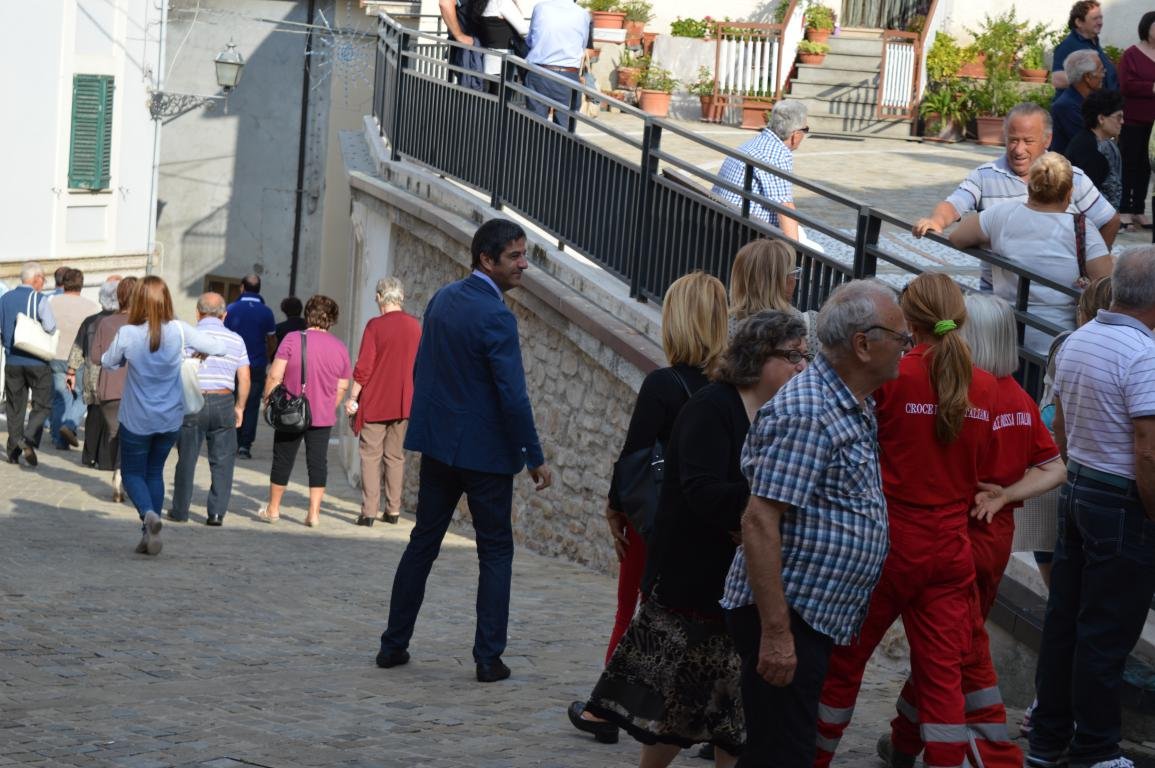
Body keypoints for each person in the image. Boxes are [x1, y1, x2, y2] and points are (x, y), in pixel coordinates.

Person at [584, 310, 811, 768]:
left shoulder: (783, 413)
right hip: (693, 582)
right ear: (757, 357)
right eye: (792, 356)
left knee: (734, 708)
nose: (802, 366)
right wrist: (771, 500)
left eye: (805, 356)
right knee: (679, 705)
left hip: (741, 584)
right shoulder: (712, 407)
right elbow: (702, 491)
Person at [814, 273, 1000, 768]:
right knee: (943, 679)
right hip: (951, 548)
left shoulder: (893, 377)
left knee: (843, 664)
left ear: (907, 321)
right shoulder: (986, 387)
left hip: (888, 543)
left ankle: (813, 756)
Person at [720, 280, 903, 768]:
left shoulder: (849, 402)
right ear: (863, 345)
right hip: (788, 614)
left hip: (805, 615)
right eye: (900, 336)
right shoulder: (810, 411)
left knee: (775, 752)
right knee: (783, 754)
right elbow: (760, 520)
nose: (907, 346)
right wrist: (777, 634)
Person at [878, 293, 1065, 768]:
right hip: (992, 541)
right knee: (949, 651)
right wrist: (1007, 495)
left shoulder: (964, 392)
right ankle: (905, 741)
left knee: (948, 657)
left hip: (948, 535)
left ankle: (924, 745)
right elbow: (1054, 466)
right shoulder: (1018, 398)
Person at [374, 218, 552, 684]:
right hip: (486, 454)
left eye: (523, 255)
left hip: (439, 446)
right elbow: (513, 395)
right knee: (495, 552)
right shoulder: (497, 316)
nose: (523, 264)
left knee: (423, 543)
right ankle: (488, 658)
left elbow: (426, 371)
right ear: (486, 260)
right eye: (514, 256)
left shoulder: (442, 299)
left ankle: (393, 644)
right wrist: (533, 455)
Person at [568, 271, 728, 745]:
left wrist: (614, 508)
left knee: (632, 611)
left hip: (661, 522)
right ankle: (709, 721)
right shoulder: (735, 389)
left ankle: (605, 712)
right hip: (716, 525)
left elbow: (634, 456)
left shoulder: (664, 384)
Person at [1027, 248, 1155, 768]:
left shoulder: (1077, 339)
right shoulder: (1145, 355)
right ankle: (1096, 749)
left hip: (1079, 487)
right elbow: (1148, 450)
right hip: (1122, 502)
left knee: (1065, 622)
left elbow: (1058, 425)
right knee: (1106, 631)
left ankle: (1047, 738)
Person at [912, 102, 1120, 290]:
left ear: (1047, 139)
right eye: (1013, 140)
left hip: (1061, 296)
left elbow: (1109, 220)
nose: (1019, 149)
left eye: (1028, 141)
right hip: (997, 296)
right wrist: (937, 221)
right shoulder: (985, 175)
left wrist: (1089, 262)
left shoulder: (1071, 177)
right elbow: (955, 203)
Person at [100, 276, 225, 556]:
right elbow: (220, 348)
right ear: (166, 300)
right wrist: (197, 353)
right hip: (169, 418)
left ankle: (148, 515)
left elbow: (107, 362)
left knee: (132, 473)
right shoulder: (179, 330)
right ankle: (149, 534)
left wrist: (122, 358)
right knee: (155, 471)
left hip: (137, 418)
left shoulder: (128, 333)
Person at [949, 152, 1115, 356]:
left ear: (1029, 186)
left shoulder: (1002, 215)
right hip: (1056, 343)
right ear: (1069, 192)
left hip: (1004, 339)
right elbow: (1106, 286)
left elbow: (957, 237)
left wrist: (992, 240)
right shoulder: (1082, 229)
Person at [257, 295, 351, 528]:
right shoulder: (340, 348)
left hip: (290, 410)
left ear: (308, 314)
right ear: (332, 319)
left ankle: (273, 509)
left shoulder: (292, 339)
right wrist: (328, 405)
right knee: (318, 462)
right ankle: (313, 514)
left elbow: (275, 375)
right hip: (322, 415)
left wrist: (268, 401)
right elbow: (342, 386)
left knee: (283, 459)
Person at [345, 277, 422, 527]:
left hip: (376, 400)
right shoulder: (415, 326)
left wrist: (352, 397)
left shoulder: (375, 326)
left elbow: (364, 367)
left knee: (370, 456)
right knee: (395, 456)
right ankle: (393, 510)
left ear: (379, 297)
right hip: (403, 401)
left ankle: (369, 512)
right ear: (401, 297)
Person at [170, 293, 251, 526]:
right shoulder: (236, 340)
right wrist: (240, 407)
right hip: (224, 400)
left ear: (197, 313)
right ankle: (216, 513)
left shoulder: (185, 338)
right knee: (223, 460)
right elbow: (245, 378)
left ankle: (180, 511)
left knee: (186, 458)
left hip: (192, 400)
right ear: (224, 315)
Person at [713, 100, 810, 240]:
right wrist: (793, 251)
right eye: (805, 129)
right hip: (745, 234)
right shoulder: (777, 155)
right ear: (796, 134)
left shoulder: (759, 142)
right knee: (814, 249)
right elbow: (785, 208)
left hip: (724, 221)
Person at [0, 262, 57, 467]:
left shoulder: (4, 299)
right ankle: (29, 438)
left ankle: (13, 451)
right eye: (43, 279)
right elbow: (50, 327)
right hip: (36, 359)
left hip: (12, 361)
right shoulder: (39, 299)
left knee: (15, 406)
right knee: (43, 404)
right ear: (36, 279)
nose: (44, 283)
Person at [91, 277, 138, 501]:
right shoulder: (144, 325)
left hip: (109, 386)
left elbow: (94, 356)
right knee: (130, 435)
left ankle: (117, 471)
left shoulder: (105, 322)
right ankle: (121, 472)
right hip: (136, 388)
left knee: (114, 433)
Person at [67, 277, 120, 469]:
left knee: (93, 416)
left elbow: (77, 348)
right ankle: (105, 460)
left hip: (91, 375)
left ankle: (89, 457)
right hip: (113, 377)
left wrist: (71, 371)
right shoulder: (123, 322)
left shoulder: (90, 321)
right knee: (110, 419)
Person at [46, 268, 99, 450]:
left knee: (62, 397)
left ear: (64, 283)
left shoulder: (51, 302)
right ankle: (69, 425)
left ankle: (57, 438)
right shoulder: (91, 307)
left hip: (56, 355)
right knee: (83, 396)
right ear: (81, 284)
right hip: (79, 359)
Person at [225, 274, 276, 460]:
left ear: (242, 287)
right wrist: (268, 356)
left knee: (232, 401)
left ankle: (231, 440)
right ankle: (245, 446)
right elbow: (272, 339)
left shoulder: (231, 309)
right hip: (256, 364)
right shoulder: (266, 312)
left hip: (232, 364)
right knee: (252, 405)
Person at [1117, 12, 1155, 229]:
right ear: (1146, 28)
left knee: (1146, 166)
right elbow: (1125, 85)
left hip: (1154, 124)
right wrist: (1152, 88)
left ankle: (1139, 210)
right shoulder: (1131, 54)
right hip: (1133, 118)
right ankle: (1124, 209)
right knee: (1129, 164)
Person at [524, 0, 590, 125]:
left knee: (535, 126)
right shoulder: (583, 14)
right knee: (565, 128)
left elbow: (530, 39)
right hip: (568, 74)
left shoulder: (540, 7)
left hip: (539, 72)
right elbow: (583, 45)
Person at [1063, 89, 1125, 210]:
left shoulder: (1089, 140)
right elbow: (1089, 200)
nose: (1122, 121)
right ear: (1101, 119)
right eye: (1118, 117)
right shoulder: (1093, 151)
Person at [1052, 1, 1118, 93]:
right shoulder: (1068, 45)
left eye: (1100, 18)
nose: (1100, 22)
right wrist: (1087, 80)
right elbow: (1057, 80)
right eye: (1095, 18)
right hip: (1082, 102)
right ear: (1079, 22)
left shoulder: (1093, 41)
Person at [1050, 51, 1106, 154]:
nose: (1103, 75)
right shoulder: (1067, 107)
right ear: (1087, 77)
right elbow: (1090, 143)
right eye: (1101, 70)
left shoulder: (1087, 101)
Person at [463, 0, 528, 80]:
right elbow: (524, 31)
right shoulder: (501, 2)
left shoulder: (482, 3)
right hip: (504, 61)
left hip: (488, 59)